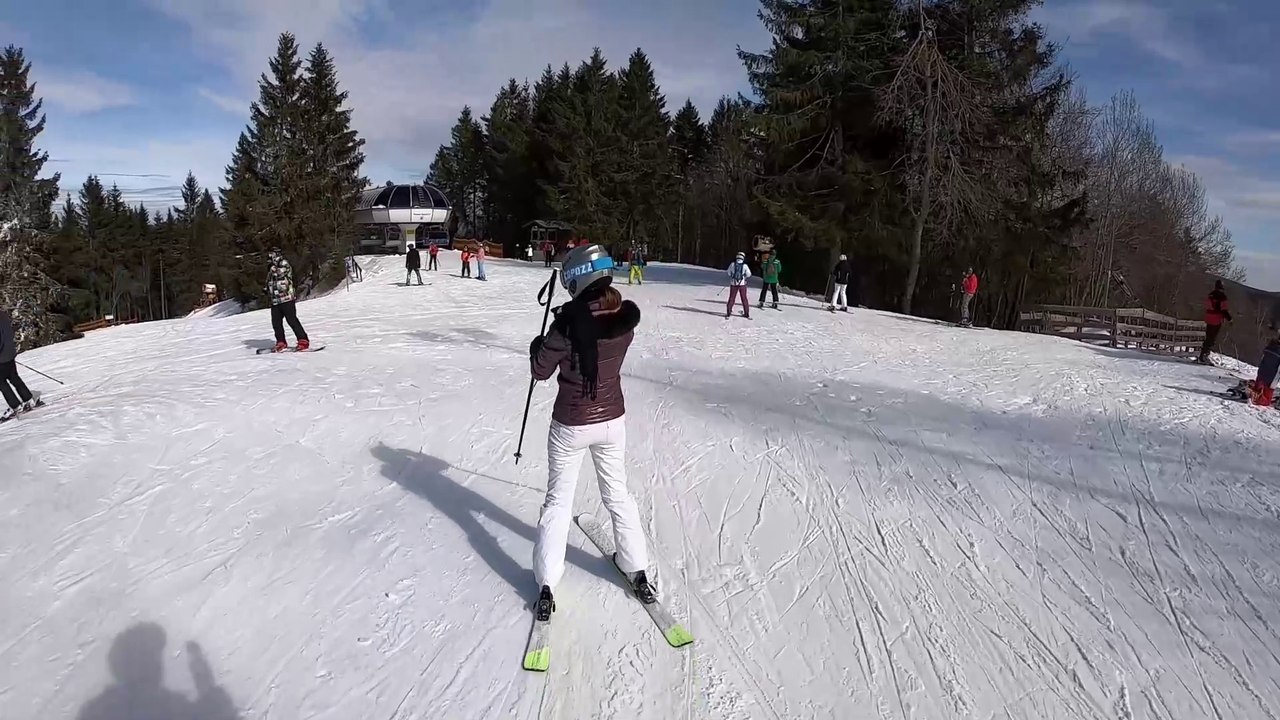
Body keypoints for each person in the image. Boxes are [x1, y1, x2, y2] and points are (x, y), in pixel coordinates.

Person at [528, 244, 653, 620]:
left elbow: (540, 369)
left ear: (577, 279)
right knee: (618, 494)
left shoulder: (568, 325)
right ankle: (637, 568)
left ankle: (548, 582)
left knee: (558, 501)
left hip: (570, 425)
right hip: (612, 421)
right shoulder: (624, 317)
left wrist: (541, 343)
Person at [0, 307, 40, 422]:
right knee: (13, 377)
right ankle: (28, 399)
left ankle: (16, 406)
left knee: (2, 383)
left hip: (1, 358)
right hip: (9, 354)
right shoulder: (3, 315)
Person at [266, 248, 309, 352]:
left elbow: (280, 273)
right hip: (275, 300)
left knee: (292, 320)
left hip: (286, 298)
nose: (269, 256)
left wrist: (273, 268)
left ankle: (303, 339)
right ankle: (281, 341)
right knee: (276, 322)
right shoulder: (270, 268)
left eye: (271, 254)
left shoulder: (284, 263)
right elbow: (269, 280)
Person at [1199, 279, 1232, 365]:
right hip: (1216, 319)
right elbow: (1224, 310)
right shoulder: (1222, 296)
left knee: (1208, 337)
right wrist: (1230, 319)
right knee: (1212, 338)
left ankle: (1202, 355)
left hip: (1209, 318)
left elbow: (1207, 305)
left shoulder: (1211, 294)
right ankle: (1205, 356)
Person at [725, 251, 752, 319]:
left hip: (733, 283)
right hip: (742, 284)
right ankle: (746, 313)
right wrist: (744, 276)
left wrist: (732, 275)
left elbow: (728, 273)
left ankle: (728, 312)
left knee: (732, 298)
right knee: (744, 298)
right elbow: (749, 274)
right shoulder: (745, 265)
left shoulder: (732, 264)